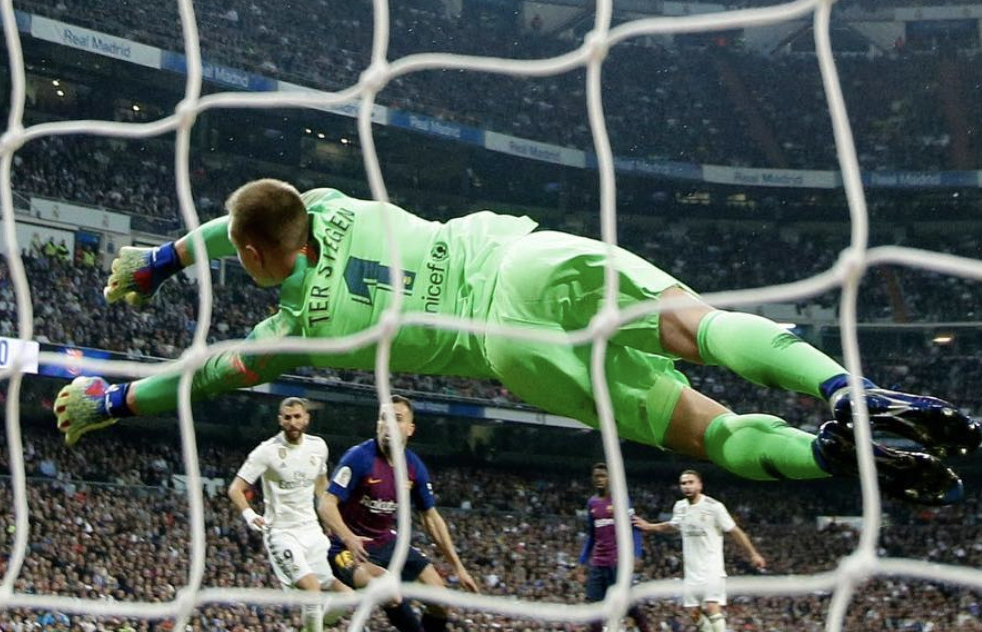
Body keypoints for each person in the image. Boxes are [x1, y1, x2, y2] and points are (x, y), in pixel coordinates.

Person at [54, 179, 980, 505]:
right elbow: (247, 217)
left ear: (256, 256)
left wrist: (114, 398)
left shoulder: (303, 331)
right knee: (693, 324)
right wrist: (166, 259)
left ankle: (831, 459)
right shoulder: (331, 206)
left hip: (512, 352)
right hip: (521, 259)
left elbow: (208, 376)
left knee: (704, 432)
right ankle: (843, 392)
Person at [317, 395, 478, 631]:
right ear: (378, 424)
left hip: (386, 542)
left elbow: (431, 518)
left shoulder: (413, 467)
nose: (389, 423)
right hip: (348, 547)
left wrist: (458, 566)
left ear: (410, 429)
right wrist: (347, 537)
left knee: (441, 603)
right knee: (388, 592)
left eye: (398, 418)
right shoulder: (359, 458)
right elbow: (326, 504)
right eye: (384, 418)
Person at [226, 397, 351, 632]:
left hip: (312, 531)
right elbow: (235, 489)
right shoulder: (266, 451)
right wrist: (250, 515)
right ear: (280, 420)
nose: (293, 422)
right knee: (312, 590)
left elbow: (321, 487)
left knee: (346, 594)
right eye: (287, 417)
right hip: (282, 532)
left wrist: (331, 521)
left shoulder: (318, 446)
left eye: (297, 417)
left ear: (306, 419)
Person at [633, 470, 766, 632]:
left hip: (711, 568)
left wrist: (753, 553)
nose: (687, 486)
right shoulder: (680, 507)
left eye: (691, 482)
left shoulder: (714, 507)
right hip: (691, 571)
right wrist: (649, 527)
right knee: (694, 613)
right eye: (683, 483)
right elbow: (672, 526)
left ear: (700, 485)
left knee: (711, 606)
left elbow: (735, 531)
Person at [580, 463, 650, 632]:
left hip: (617, 562)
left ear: (610, 478)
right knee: (593, 607)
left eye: (602, 476)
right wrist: (582, 561)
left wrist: (637, 554)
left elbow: (635, 527)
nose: (599, 480)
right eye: (596, 476)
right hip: (598, 563)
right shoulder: (592, 503)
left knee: (629, 607)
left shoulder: (621, 499)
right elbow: (592, 534)